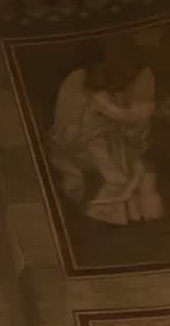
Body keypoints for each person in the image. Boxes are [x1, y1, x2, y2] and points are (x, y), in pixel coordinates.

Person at [49, 45, 161, 226]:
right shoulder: (78, 84)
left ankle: (134, 208)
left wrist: (113, 114)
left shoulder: (119, 90)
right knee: (106, 157)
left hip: (112, 137)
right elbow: (69, 127)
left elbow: (131, 121)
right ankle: (115, 203)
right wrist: (99, 119)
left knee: (134, 163)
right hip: (83, 141)